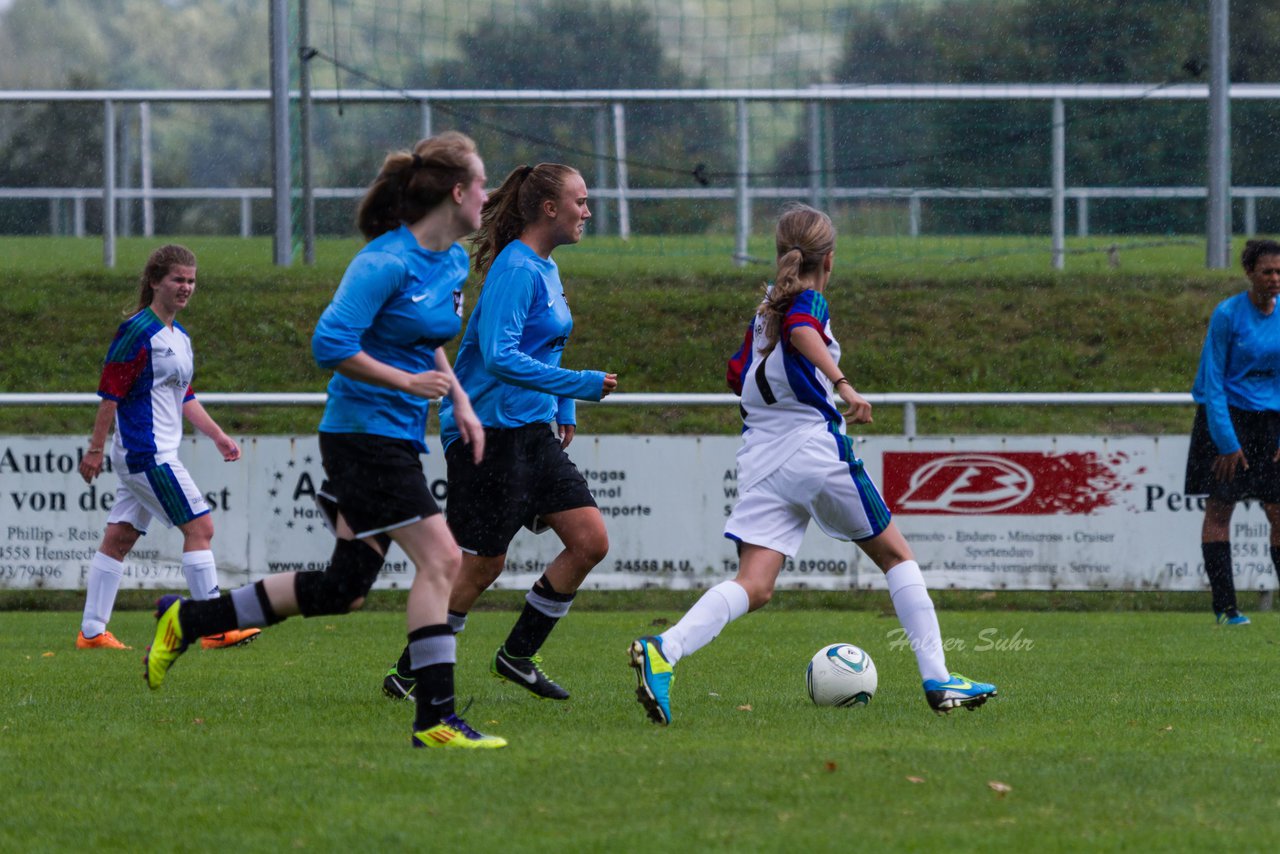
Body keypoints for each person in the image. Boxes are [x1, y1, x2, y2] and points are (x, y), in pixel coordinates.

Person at [142, 131, 506, 750]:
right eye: (481, 183)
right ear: (456, 192)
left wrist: (462, 400)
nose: (488, 194)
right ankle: (435, 721)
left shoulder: (447, 262)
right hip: (361, 438)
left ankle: (190, 618)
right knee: (443, 560)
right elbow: (329, 345)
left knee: (345, 589)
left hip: (392, 438)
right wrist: (406, 382)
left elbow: (424, 336)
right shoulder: (383, 261)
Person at [628, 203, 998, 725]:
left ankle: (665, 649)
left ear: (780, 254)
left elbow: (737, 375)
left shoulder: (764, 311)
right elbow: (803, 328)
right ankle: (938, 677)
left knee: (754, 585)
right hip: (812, 449)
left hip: (761, 459)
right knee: (897, 557)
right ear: (829, 259)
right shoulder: (806, 301)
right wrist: (842, 384)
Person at [381, 162, 617, 703]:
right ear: (549, 209)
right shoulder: (516, 269)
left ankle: (517, 655)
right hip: (487, 432)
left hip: (529, 429)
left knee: (589, 541)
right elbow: (500, 356)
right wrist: (580, 384)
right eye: (580, 201)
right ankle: (410, 672)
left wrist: (563, 407)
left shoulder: (545, 268)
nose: (588, 210)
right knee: (483, 563)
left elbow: (543, 346)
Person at [76, 244, 258, 652]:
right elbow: (111, 393)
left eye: (191, 280)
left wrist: (216, 435)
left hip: (155, 452)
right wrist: (95, 449)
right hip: (147, 453)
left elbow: (183, 395)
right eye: (178, 279)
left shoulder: (180, 337)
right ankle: (213, 626)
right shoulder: (138, 331)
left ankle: (91, 632)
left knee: (119, 539)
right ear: (155, 281)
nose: (186, 287)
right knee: (200, 528)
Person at [1185, 238, 1280, 626]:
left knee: (1278, 510)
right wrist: (1226, 441)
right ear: (1249, 274)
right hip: (1226, 420)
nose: (1275, 278)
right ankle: (1226, 608)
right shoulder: (1227, 315)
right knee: (1221, 508)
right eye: (1267, 272)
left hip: (1270, 422)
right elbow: (1212, 382)